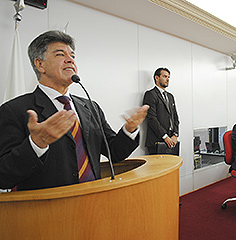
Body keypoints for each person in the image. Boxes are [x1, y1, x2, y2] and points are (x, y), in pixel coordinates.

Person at [0, 30, 149, 191]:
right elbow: (4, 177)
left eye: (72, 56)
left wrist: (129, 130)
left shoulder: (90, 107)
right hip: (46, 211)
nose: (70, 60)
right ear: (40, 64)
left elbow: (114, 153)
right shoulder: (14, 110)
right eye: (60, 55)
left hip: (94, 203)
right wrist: (36, 145)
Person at [143, 67, 179, 155]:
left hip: (171, 141)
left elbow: (175, 118)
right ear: (157, 77)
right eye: (165, 76)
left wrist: (175, 135)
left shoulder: (170, 96)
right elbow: (151, 118)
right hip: (157, 142)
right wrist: (165, 136)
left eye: (168, 77)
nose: (167, 79)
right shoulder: (150, 94)